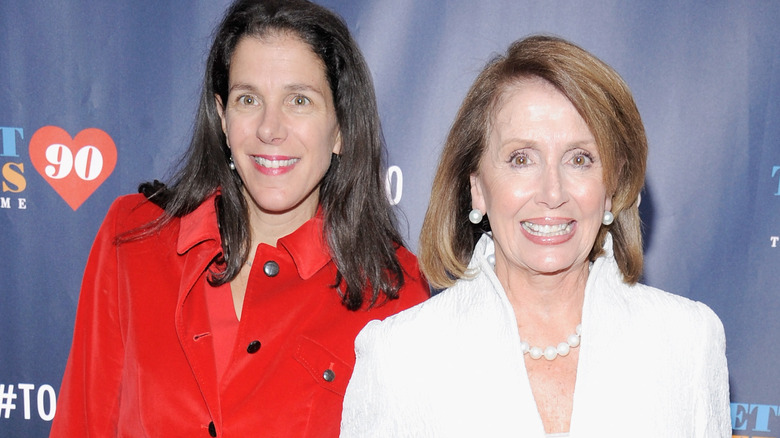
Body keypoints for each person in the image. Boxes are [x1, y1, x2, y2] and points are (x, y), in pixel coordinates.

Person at [50, 0, 429, 436]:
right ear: (222, 117)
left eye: (299, 100)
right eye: (248, 99)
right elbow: (82, 422)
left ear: (340, 128)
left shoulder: (392, 294)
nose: (270, 128)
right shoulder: (133, 236)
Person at [340, 35, 729, 437]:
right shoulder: (399, 356)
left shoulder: (689, 341)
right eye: (521, 159)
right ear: (477, 186)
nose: (553, 193)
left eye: (580, 159)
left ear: (612, 184)